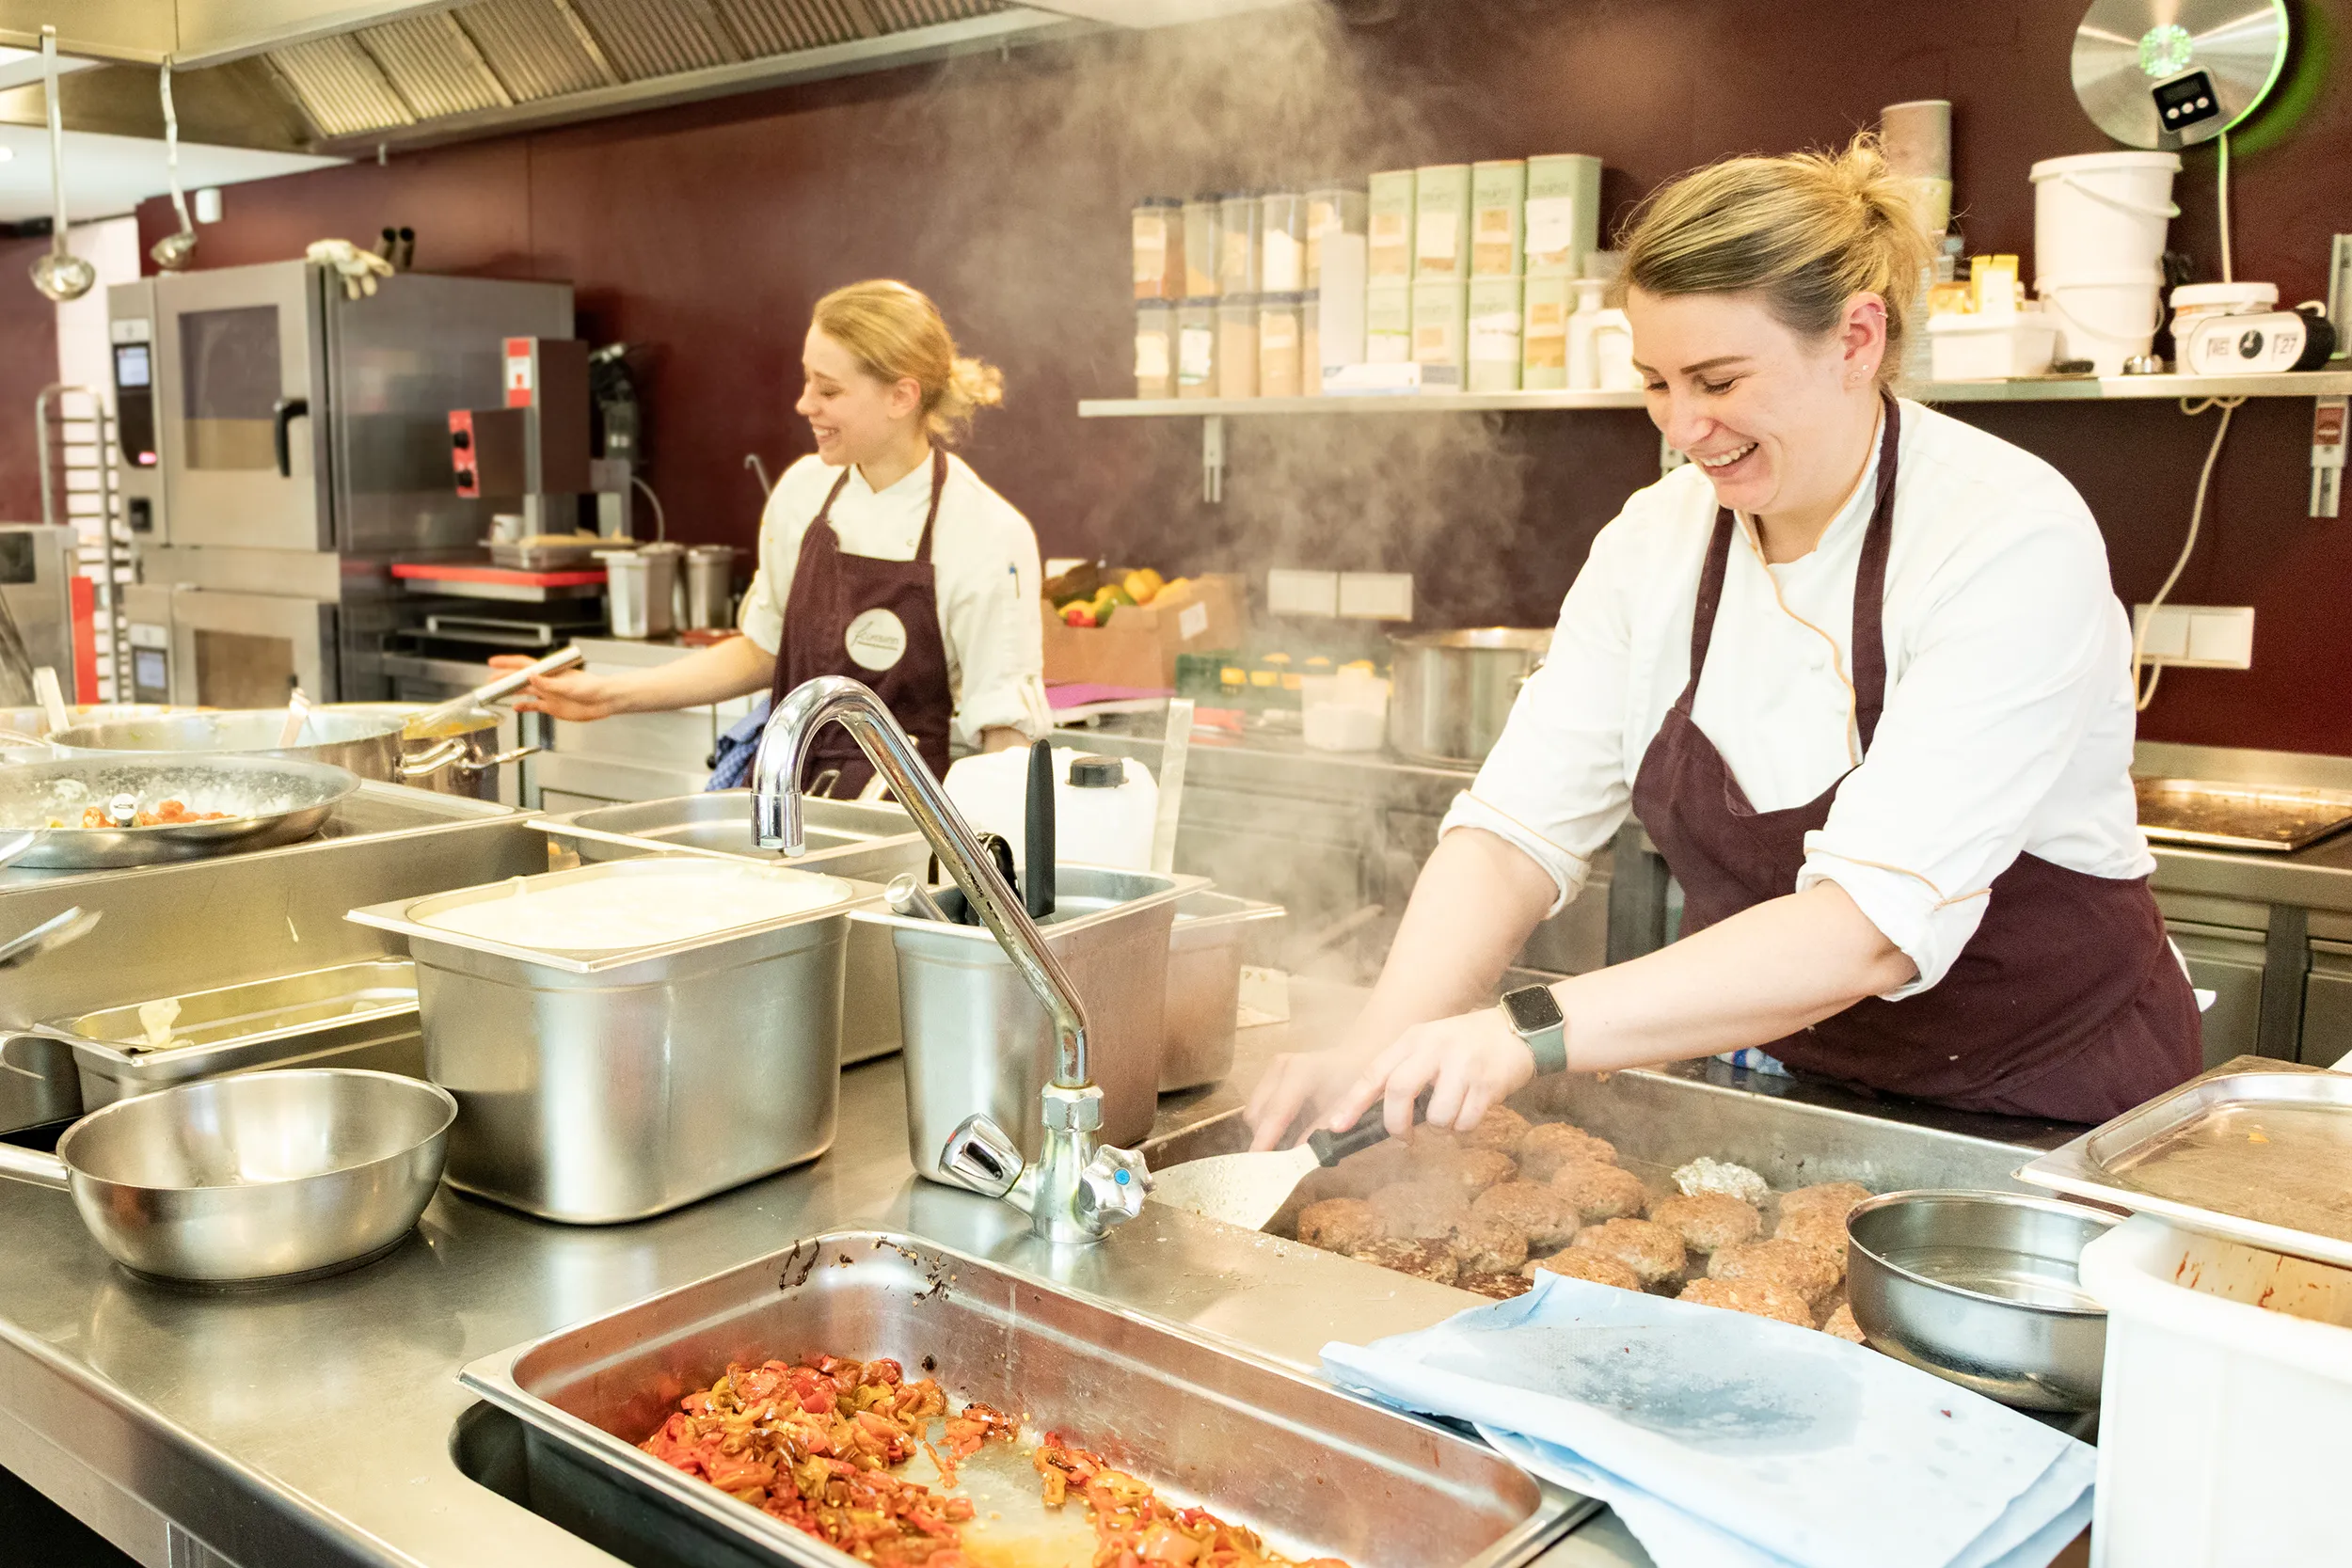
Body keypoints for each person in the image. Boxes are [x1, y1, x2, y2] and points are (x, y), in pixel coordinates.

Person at [1248, 135, 2199, 1151]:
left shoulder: (2004, 536)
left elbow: (1871, 928)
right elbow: (1513, 832)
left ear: (1856, 339)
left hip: (2047, 1107)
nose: (1684, 427)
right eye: (1656, 382)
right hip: (1791, 1091)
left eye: (1718, 379)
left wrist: (1528, 1029)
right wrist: (1380, 1039)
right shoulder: (1654, 541)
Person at [498, 280, 1048, 795]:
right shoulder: (804, 491)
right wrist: (606, 695)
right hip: (780, 802)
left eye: (828, 389)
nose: (804, 404)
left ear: (901, 397)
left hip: (904, 824)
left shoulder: (985, 534)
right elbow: (764, 649)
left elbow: (1006, 739)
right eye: (807, 381)